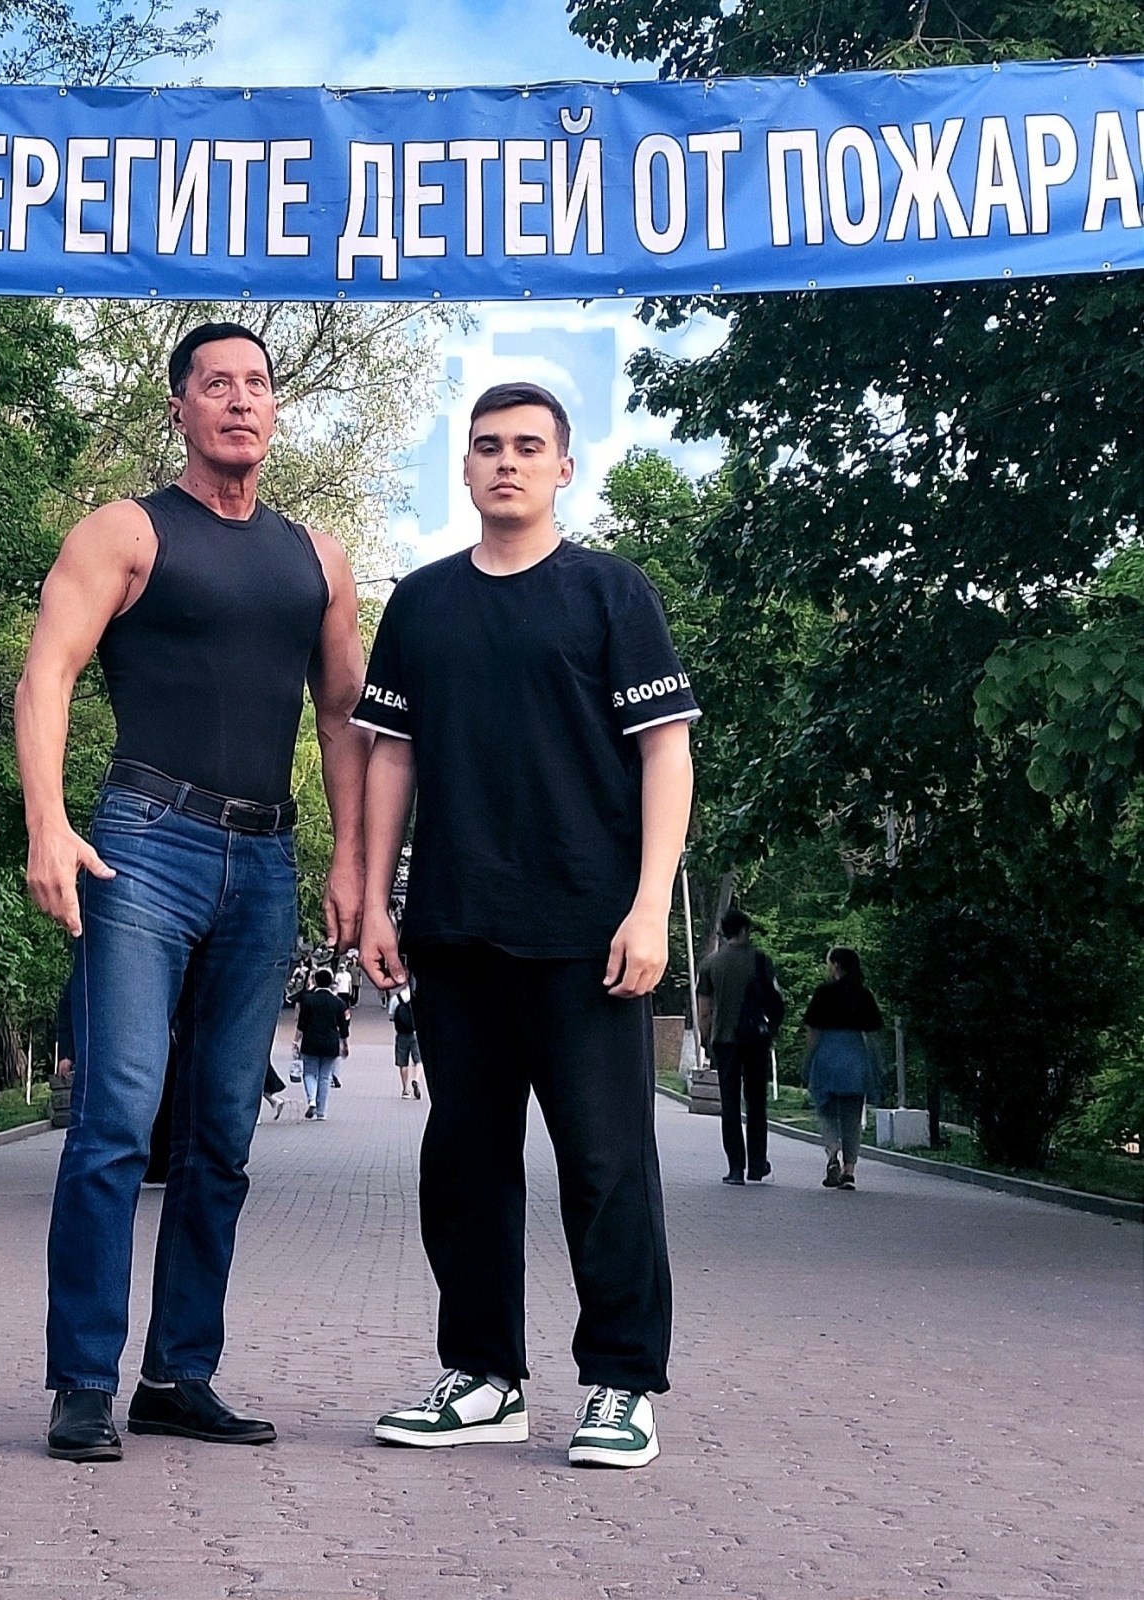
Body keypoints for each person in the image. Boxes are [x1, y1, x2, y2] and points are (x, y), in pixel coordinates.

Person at [15, 321, 370, 1463]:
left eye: (256, 383)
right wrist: (47, 823)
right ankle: (83, 1382)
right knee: (118, 1118)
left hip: (265, 861)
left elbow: (343, 718)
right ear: (180, 407)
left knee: (222, 1131)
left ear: (275, 409)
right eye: (216, 383)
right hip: (142, 845)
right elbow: (48, 672)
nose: (240, 400)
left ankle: (178, 1375)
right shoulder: (127, 532)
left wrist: (352, 863)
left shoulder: (317, 558)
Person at [356, 382, 698, 1470]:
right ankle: (484, 1376)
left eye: (528, 446)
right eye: (488, 446)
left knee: (605, 1164)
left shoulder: (610, 592)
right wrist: (376, 897)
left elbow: (666, 750)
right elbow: (391, 755)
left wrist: (648, 905)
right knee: (464, 1164)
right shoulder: (421, 603)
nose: (506, 461)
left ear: (562, 468)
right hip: (456, 927)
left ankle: (622, 1384)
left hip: (589, 931)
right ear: (463, 467)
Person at [697, 909, 784, 1186]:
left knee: (730, 1104)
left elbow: (704, 1010)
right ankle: (757, 1164)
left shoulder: (711, 963)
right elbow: (774, 997)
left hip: (725, 1041)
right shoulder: (761, 959)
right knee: (757, 1102)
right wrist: (772, 1028)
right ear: (745, 929)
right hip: (755, 1039)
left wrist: (705, 1039)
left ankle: (735, 1168)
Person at [803, 947, 884, 1191]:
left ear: (836, 965)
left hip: (828, 1054)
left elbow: (813, 1031)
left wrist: (808, 1060)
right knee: (852, 1115)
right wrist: (876, 1065)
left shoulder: (823, 993)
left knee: (826, 1109)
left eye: (829, 963)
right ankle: (849, 1170)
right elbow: (874, 1034)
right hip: (855, 1056)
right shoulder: (864, 995)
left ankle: (833, 1152)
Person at [295, 969, 350, 1120]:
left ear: (315, 981)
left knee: (309, 1073)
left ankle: (311, 1099)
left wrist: (295, 1040)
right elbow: (343, 1027)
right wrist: (345, 1044)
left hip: (310, 1040)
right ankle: (321, 1112)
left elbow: (301, 1024)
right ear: (331, 982)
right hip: (330, 1042)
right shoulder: (338, 1002)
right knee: (325, 1077)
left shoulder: (308, 1000)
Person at [389, 987, 422, 1099]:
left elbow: (391, 1016)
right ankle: (416, 1079)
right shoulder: (418, 999)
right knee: (418, 1060)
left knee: (403, 1063)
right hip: (415, 1033)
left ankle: (405, 1090)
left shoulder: (396, 998)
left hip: (401, 1034)